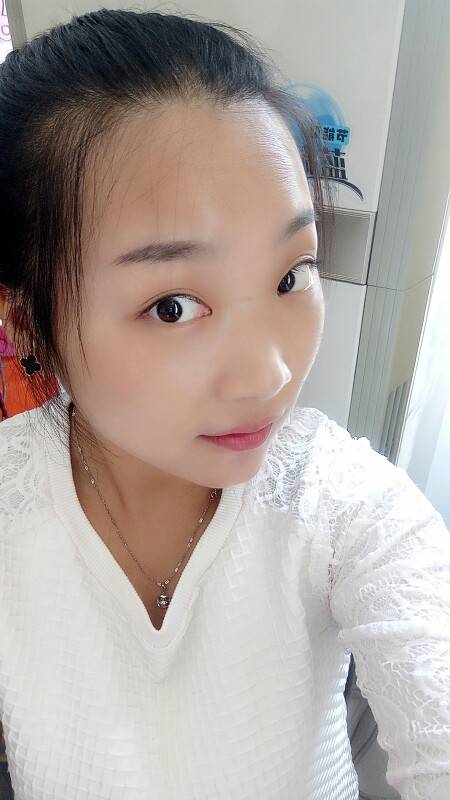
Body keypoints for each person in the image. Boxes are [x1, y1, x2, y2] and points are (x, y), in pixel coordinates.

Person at [0, 8, 449, 800]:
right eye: (173, 306)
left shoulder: (344, 506)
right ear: (26, 318)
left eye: (291, 275)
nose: (269, 374)